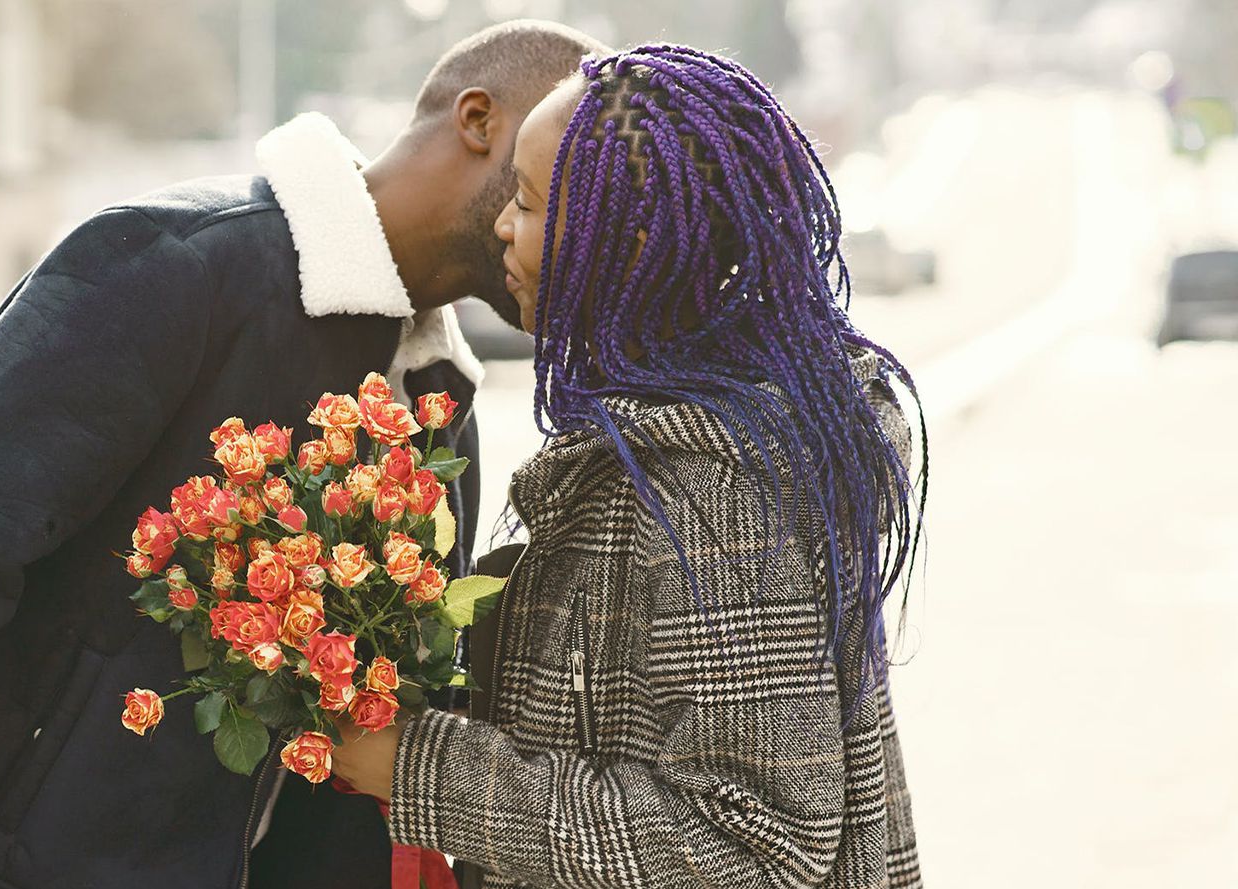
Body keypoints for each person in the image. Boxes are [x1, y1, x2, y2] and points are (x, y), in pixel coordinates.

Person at [0, 21, 601, 889]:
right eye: (583, 185)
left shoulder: (441, 404)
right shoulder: (171, 265)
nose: (604, 231)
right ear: (480, 121)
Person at [329, 46, 927, 889]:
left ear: (630, 242)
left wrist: (421, 766)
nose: (503, 224)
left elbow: (750, 844)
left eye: (530, 205)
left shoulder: (720, 490)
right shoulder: (674, 446)